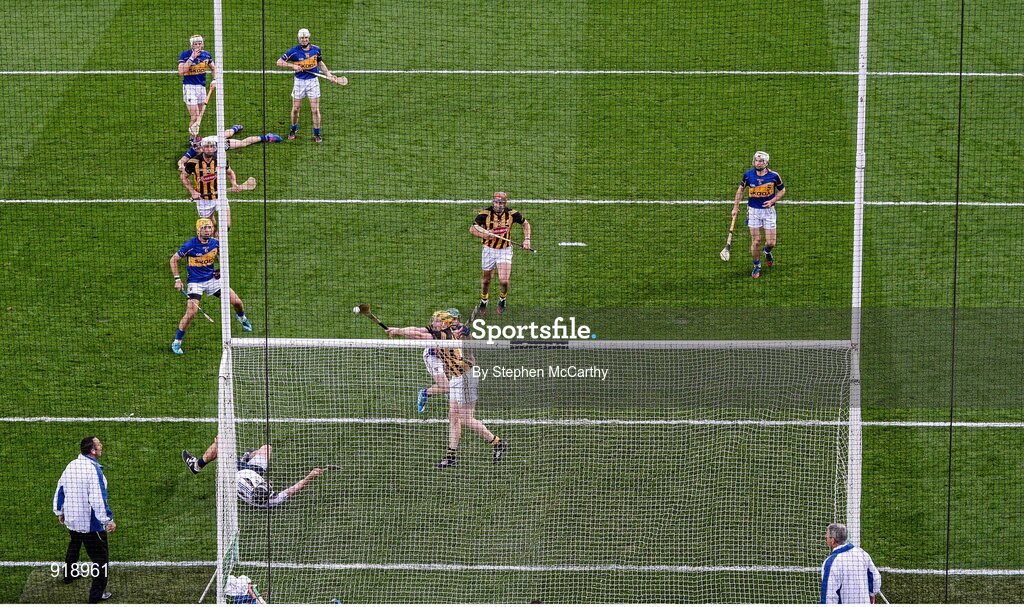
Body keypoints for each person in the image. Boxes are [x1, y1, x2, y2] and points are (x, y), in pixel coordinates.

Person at [388, 310, 507, 469]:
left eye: (437, 321)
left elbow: (419, 336)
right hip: (456, 378)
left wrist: (398, 332)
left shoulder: (444, 335)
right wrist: (396, 329)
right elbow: (418, 329)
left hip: (466, 378)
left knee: (466, 419)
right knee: (453, 417)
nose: (433, 323)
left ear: (444, 324)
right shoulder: (439, 330)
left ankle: (498, 443)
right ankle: (451, 456)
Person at [170, 218, 253, 355]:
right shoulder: (190, 245)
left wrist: (220, 270)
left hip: (212, 280)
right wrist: (177, 279)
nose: (207, 230)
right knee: (191, 313)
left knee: (237, 302)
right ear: (198, 230)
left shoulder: (215, 243)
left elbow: (222, 256)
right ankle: (177, 341)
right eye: (204, 228)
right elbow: (173, 260)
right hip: (195, 282)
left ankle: (242, 318)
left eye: (209, 228)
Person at [53, 436, 115, 603]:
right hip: (90, 524)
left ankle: (69, 574)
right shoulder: (94, 470)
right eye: (99, 444)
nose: (101, 446)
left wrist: (60, 511)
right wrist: (108, 520)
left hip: (72, 518)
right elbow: (98, 499)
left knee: (75, 543)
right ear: (92, 450)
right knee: (100, 560)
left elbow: (60, 489)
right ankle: (96, 596)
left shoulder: (71, 465)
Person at [181, 436, 323, 509]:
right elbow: (294, 490)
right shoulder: (272, 499)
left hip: (238, 471)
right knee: (267, 448)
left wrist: (220, 447)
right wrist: (310, 476)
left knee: (220, 442)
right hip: (253, 472)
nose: (269, 483)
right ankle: (247, 457)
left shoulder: (239, 481)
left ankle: (196, 465)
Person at [276, 28, 347, 142]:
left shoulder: (316, 49)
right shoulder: (293, 51)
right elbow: (279, 62)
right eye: (302, 38)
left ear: (309, 38)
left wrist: (329, 74)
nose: (304, 40)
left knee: (315, 110)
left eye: (306, 38)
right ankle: (293, 129)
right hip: (299, 82)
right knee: (296, 109)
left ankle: (317, 134)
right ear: (299, 39)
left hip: (313, 82)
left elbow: (320, 63)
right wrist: (293, 66)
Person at [470, 192, 532, 316]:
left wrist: (527, 239)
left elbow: (525, 224)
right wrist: (484, 235)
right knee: (486, 280)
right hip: (489, 250)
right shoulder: (484, 214)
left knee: (504, 281)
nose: (498, 205)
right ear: (493, 202)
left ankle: (502, 299)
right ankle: (484, 300)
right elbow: (472, 229)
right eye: (496, 202)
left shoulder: (512, 214)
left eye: (501, 203)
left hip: (505, 250)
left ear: (505, 204)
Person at [180, 136, 255, 234]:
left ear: (214, 148)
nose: (209, 149)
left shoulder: (220, 160)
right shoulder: (193, 162)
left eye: (211, 147)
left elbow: (230, 173)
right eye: (207, 147)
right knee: (211, 228)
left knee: (226, 226)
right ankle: (215, 240)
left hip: (220, 197)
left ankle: (220, 241)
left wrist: (234, 184)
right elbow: (183, 176)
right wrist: (192, 191)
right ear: (202, 148)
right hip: (203, 200)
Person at [731, 150, 785, 278]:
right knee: (756, 241)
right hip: (753, 211)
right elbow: (740, 190)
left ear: (766, 162)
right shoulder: (748, 175)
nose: (758, 163)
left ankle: (767, 251)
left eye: (761, 161)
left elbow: (782, 190)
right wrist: (735, 207)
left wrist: (772, 201)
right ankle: (757, 265)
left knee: (771, 243)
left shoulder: (774, 176)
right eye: (756, 160)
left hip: (769, 212)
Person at [415, 307, 470, 413]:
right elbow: (439, 346)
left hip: (447, 356)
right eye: (452, 319)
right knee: (446, 386)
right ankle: (425, 393)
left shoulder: (459, 327)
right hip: (434, 356)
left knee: (450, 374)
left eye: (456, 319)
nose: (455, 321)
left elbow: (463, 339)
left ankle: (448, 391)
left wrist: (465, 334)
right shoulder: (439, 329)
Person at [177, 124, 282, 172]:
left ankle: (266, 137)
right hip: (215, 138)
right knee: (226, 133)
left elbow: (215, 163)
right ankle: (234, 128)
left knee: (242, 143)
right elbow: (181, 161)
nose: (198, 149)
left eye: (199, 147)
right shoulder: (194, 149)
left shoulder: (211, 149)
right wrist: (181, 166)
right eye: (196, 148)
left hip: (221, 143)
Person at [821, 523, 881, 604]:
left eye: (827, 535)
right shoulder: (862, 553)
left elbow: (829, 595)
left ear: (833, 540)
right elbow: (875, 579)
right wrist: (871, 594)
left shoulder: (831, 562)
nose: (825, 537)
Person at [178, 34, 217, 138]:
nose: (198, 45)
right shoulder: (185, 55)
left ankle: (195, 137)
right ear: (192, 45)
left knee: (199, 116)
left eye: (200, 43)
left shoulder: (206, 55)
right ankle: (192, 139)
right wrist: (192, 57)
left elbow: (213, 68)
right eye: (196, 44)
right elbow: (181, 72)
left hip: (201, 88)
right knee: (195, 116)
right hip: (189, 87)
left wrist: (214, 80)